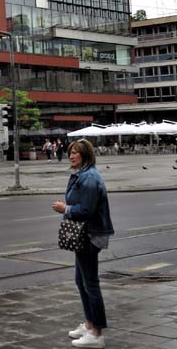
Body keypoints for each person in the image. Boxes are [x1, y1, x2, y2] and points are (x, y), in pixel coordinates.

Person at [52, 139, 114, 349]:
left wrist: (65, 209)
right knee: (81, 281)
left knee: (91, 284)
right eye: (70, 152)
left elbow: (86, 210)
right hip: (85, 234)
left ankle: (97, 334)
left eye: (76, 153)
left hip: (89, 235)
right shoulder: (83, 174)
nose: (71, 156)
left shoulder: (89, 178)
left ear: (85, 155)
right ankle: (89, 324)